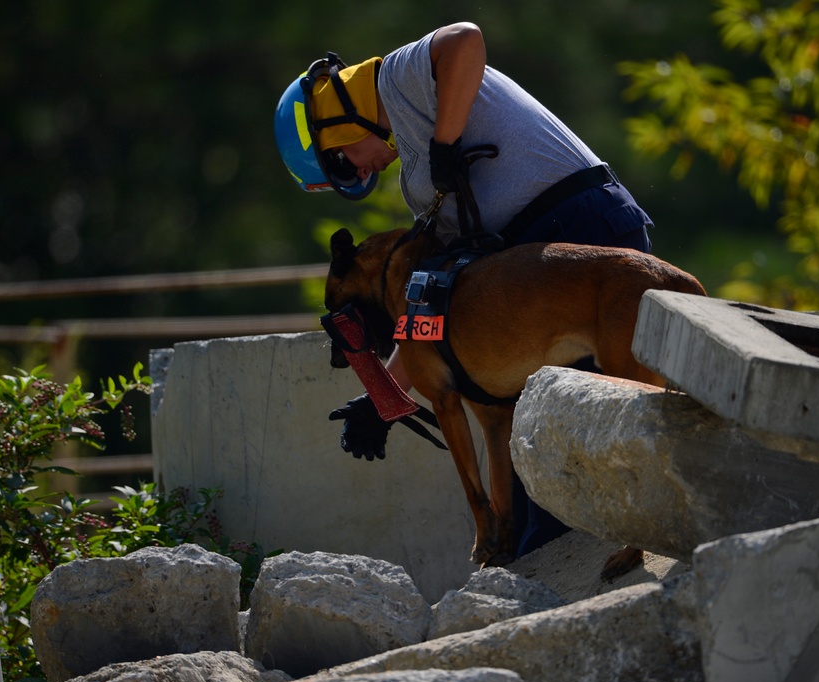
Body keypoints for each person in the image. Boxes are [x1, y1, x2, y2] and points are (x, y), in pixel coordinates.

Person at [274, 22, 654, 558]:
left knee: (582, 427)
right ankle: (550, 578)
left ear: (335, 135)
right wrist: (383, 397)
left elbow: (465, 39)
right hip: (545, 266)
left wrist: (446, 143)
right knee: (541, 443)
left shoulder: (397, 78)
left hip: (582, 227)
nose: (365, 174)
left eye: (349, 168)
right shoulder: (417, 182)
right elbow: (430, 315)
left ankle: (581, 572)